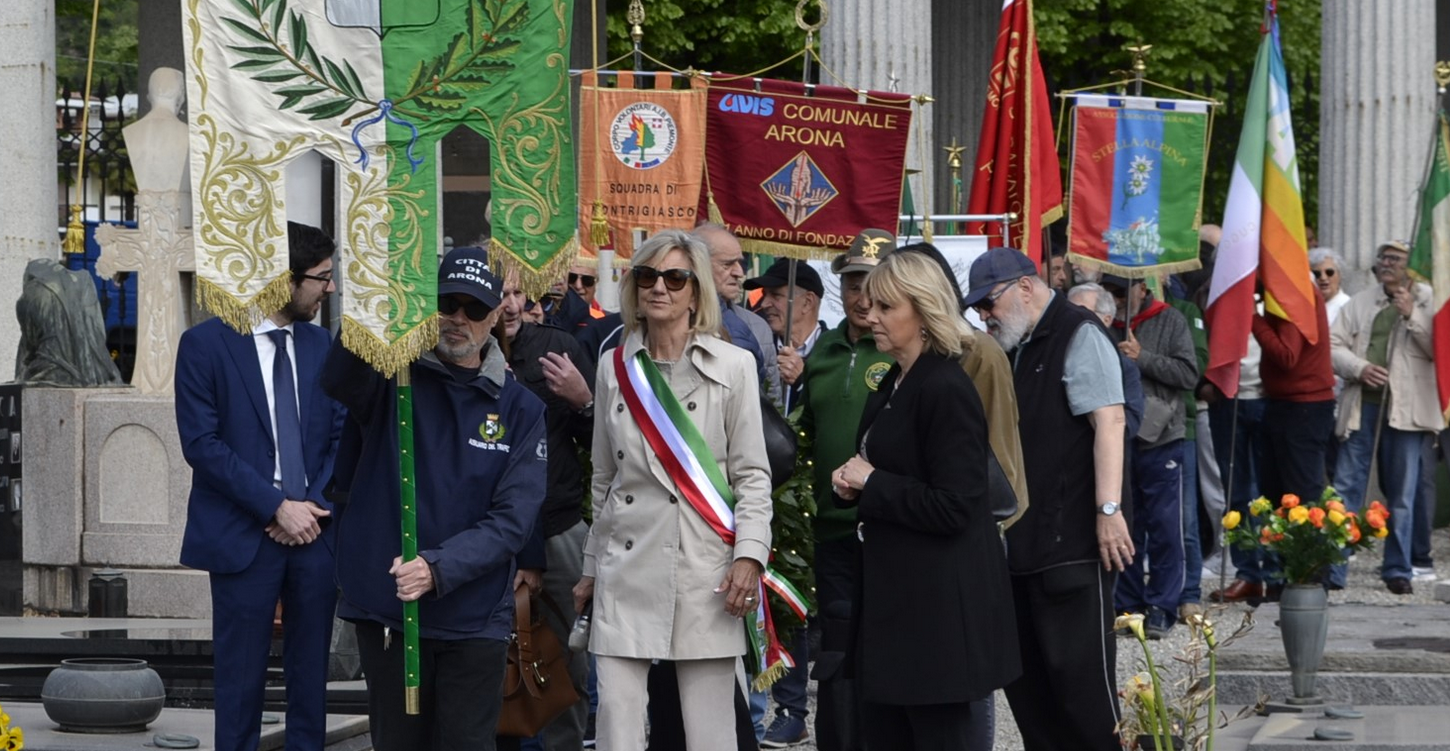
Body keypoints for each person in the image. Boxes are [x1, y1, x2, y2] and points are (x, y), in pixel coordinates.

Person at [323, 246, 548, 751]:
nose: (458, 319)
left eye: (473, 309)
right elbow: (337, 376)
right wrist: (378, 287)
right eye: (447, 303)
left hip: (472, 615)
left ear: (496, 316)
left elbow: (513, 519)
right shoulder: (391, 376)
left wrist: (437, 566)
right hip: (391, 609)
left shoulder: (521, 407)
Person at [574, 229, 774, 751]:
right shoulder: (612, 366)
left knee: (709, 733)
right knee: (616, 724)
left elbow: (752, 476)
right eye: (647, 275)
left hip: (705, 569)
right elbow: (603, 480)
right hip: (625, 569)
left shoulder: (735, 366)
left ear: (696, 291)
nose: (659, 287)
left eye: (675, 277)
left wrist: (749, 556)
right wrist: (592, 566)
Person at [831, 250, 1020, 750]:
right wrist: (855, 485)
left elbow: (956, 505)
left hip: (936, 617)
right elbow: (891, 469)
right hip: (897, 605)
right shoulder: (895, 379)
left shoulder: (945, 386)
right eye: (870, 305)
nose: (871, 317)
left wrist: (873, 483)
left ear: (923, 310)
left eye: (886, 308)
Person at [175, 221, 344, 751]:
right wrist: (275, 507)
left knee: (311, 687)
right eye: (321, 278)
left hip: (315, 538)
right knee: (239, 687)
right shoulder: (205, 345)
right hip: (242, 538)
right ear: (284, 281)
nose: (330, 288)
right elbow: (202, 444)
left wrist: (311, 505)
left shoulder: (324, 347)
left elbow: (343, 437)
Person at [965, 248, 1131, 751]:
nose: (985, 316)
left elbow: (1111, 421)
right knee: (1032, 698)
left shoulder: (1077, 332)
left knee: (1085, 701)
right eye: (977, 310)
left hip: (1073, 548)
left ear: (1025, 286)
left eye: (989, 304)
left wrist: (1108, 510)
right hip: (1020, 550)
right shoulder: (1012, 346)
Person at [799, 230, 898, 751]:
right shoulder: (824, 352)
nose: (863, 297)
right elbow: (805, 433)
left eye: (873, 284)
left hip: (885, 528)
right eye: (855, 283)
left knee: (884, 643)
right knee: (837, 643)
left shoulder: (903, 353)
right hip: (832, 529)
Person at [496, 267, 596, 751]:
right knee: (489, 665)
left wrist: (585, 402)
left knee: (565, 663)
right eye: (500, 295)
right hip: (487, 538)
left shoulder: (559, 348)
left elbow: (607, 449)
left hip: (557, 529)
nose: (511, 305)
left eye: (518, 293)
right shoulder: (454, 351)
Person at [1328, 240, 1442, 594]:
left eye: (1395, 259)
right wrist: (1359, 368)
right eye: (1383, 258)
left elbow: (1441, 349)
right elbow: (1333, 344)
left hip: (1407, 412)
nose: (1386, 263)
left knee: (1403, 494)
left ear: (1412, 265)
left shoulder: (1430, 300)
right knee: (1346, 488)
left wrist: (1412, 314)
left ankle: (1398, 568)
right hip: (1363, 406)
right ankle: (1334, 568)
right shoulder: (1362, 301)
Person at [1099, 275, 1198, 639]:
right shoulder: (1105, 321)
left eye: (1121, 291)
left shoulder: (1170, 319)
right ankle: (1128, 604)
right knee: (1126, 522)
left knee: (1165, 526)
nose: (1117, 298)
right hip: (1120, 436)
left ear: (1142, 287)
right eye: (1110, 292)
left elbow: (1189, 374)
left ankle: (1162, 605)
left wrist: (1144, 358)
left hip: (1162, 436)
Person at [693, 222, 783, 408]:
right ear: (696, 263)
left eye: (740, 262)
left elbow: (770, 404)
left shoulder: (757, 326)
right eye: (727, 264)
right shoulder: (669, 319)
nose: (739, 273)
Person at [746, 259, 827, 413]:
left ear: (807, 302)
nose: (764, 304)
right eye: (765, 294)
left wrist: (803, 382)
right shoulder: (756, 347)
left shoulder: (836, 350)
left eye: (775, 295)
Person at [1310, 248, 1352, 325]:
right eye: (1317, 274)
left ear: (1340, 275)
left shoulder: (1348, 307)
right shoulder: (1307, 306)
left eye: (1329, 272)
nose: (1323, 278)